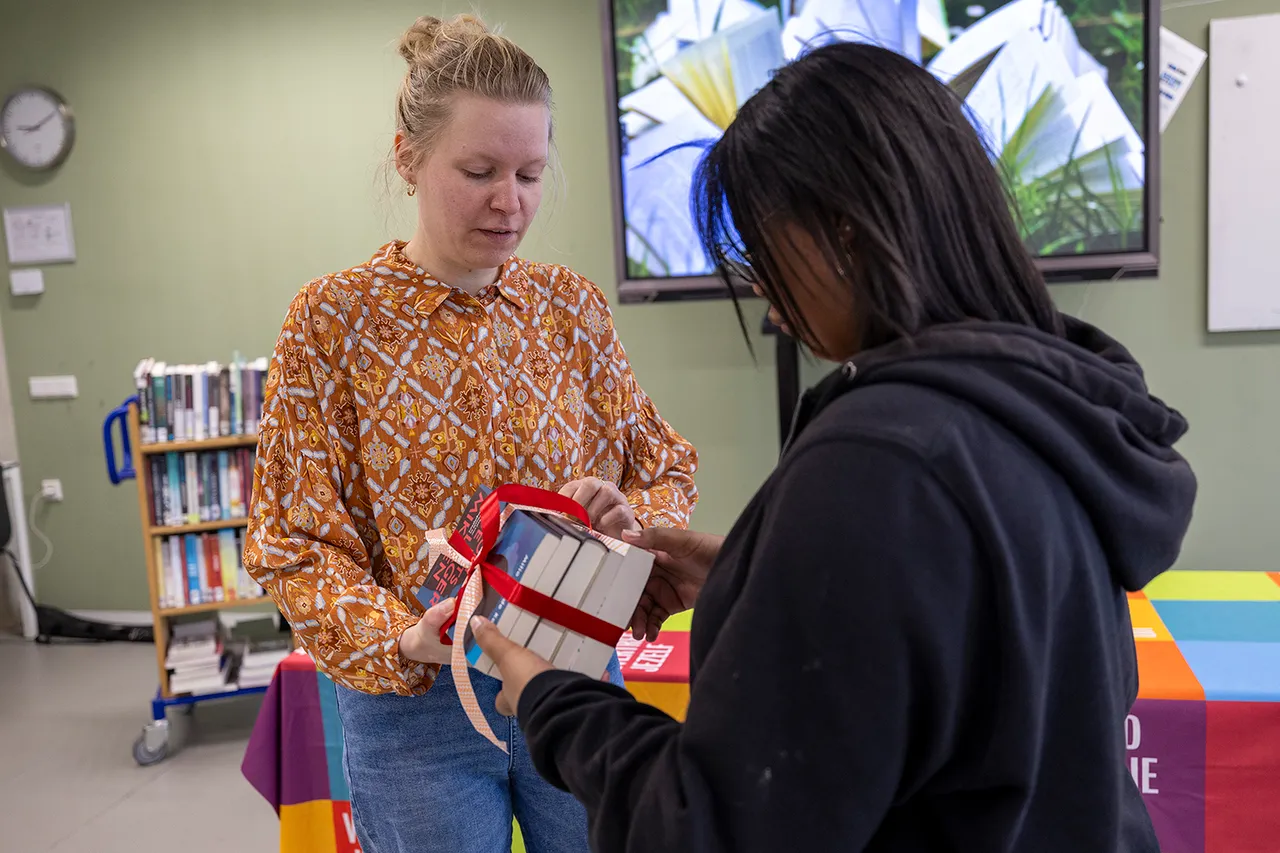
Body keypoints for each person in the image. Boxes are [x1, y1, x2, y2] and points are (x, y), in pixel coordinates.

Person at [472, 41, 1196, 853]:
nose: (765, 297)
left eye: (762, 255)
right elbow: (967, 643)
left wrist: (553, 696)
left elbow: (709, 830)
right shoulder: (1050, 409)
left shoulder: (878, 462)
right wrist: (760, 580)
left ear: (844, 235)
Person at [243, 14, 698, 853]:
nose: (511, 201)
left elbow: (663, 465)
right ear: (408, 158)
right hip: (415, 708)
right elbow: (291, 539)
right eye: (480, 170)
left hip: (572, 678)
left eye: (530, 173)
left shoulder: (571, 309)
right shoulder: (333, 320)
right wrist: (401, 637)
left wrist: (629, 518)